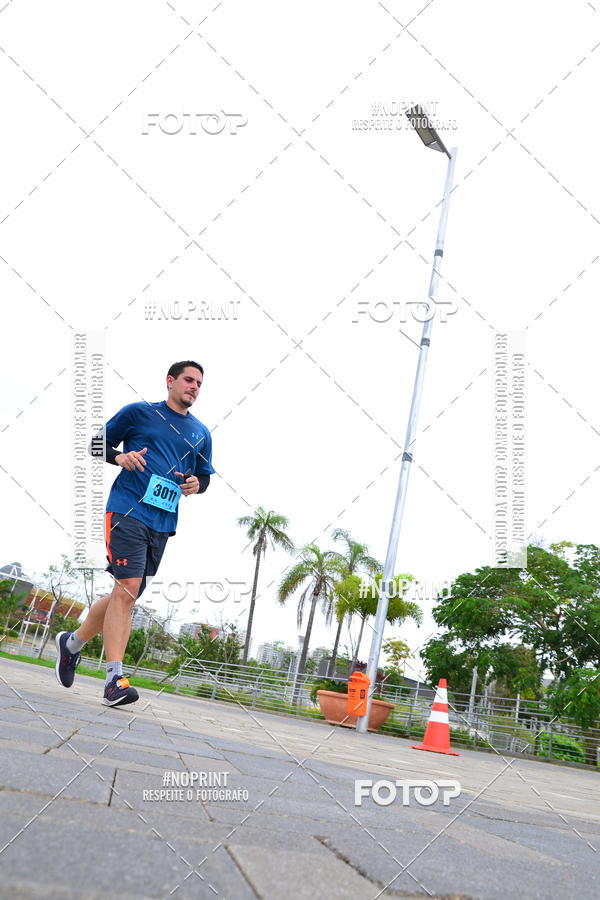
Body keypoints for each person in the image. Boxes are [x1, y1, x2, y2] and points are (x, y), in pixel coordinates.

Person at [55, 360, 215, 706]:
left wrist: (194, 484)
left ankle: (71, 645)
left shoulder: (201, 432)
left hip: (163, 522)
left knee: (125, 596)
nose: (194, 387)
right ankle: (114, 680)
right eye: (189, 380)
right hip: (127, 509)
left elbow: (204, 477)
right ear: (170, 380)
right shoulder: (139, 413)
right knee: (126, 590)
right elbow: (96, 446)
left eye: (199, 383)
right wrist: (120, 458)